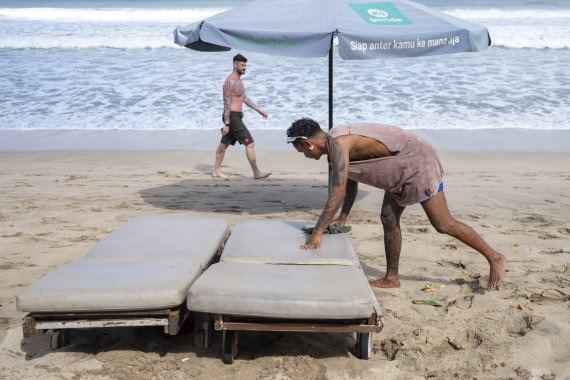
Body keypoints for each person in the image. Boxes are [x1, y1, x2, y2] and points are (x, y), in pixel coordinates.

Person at [286, 118, 506, 290]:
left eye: (302, 151)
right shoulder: (334, 146)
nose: (304, 155)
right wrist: (344, 217)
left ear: (308, 143)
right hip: (398, 168)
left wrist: (317, 232)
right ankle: (392, 278)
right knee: (388, 217)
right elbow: (350, 180)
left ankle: (494, 257)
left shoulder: (337, 144)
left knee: (443, 223)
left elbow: (338, 190)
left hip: (417, 161)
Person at [212, 54, 271, 180]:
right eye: (242, 65)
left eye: (245, 65)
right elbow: (227, 103)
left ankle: (216, 171)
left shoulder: (239, 80)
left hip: (235, 116)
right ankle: (256, 172)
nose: (244, 68)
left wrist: (259, 110)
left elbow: (244, 98)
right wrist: (227, 124)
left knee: (224, 144)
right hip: (232, 117)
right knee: (250, 143)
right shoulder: (230, 82)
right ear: (235, 64)